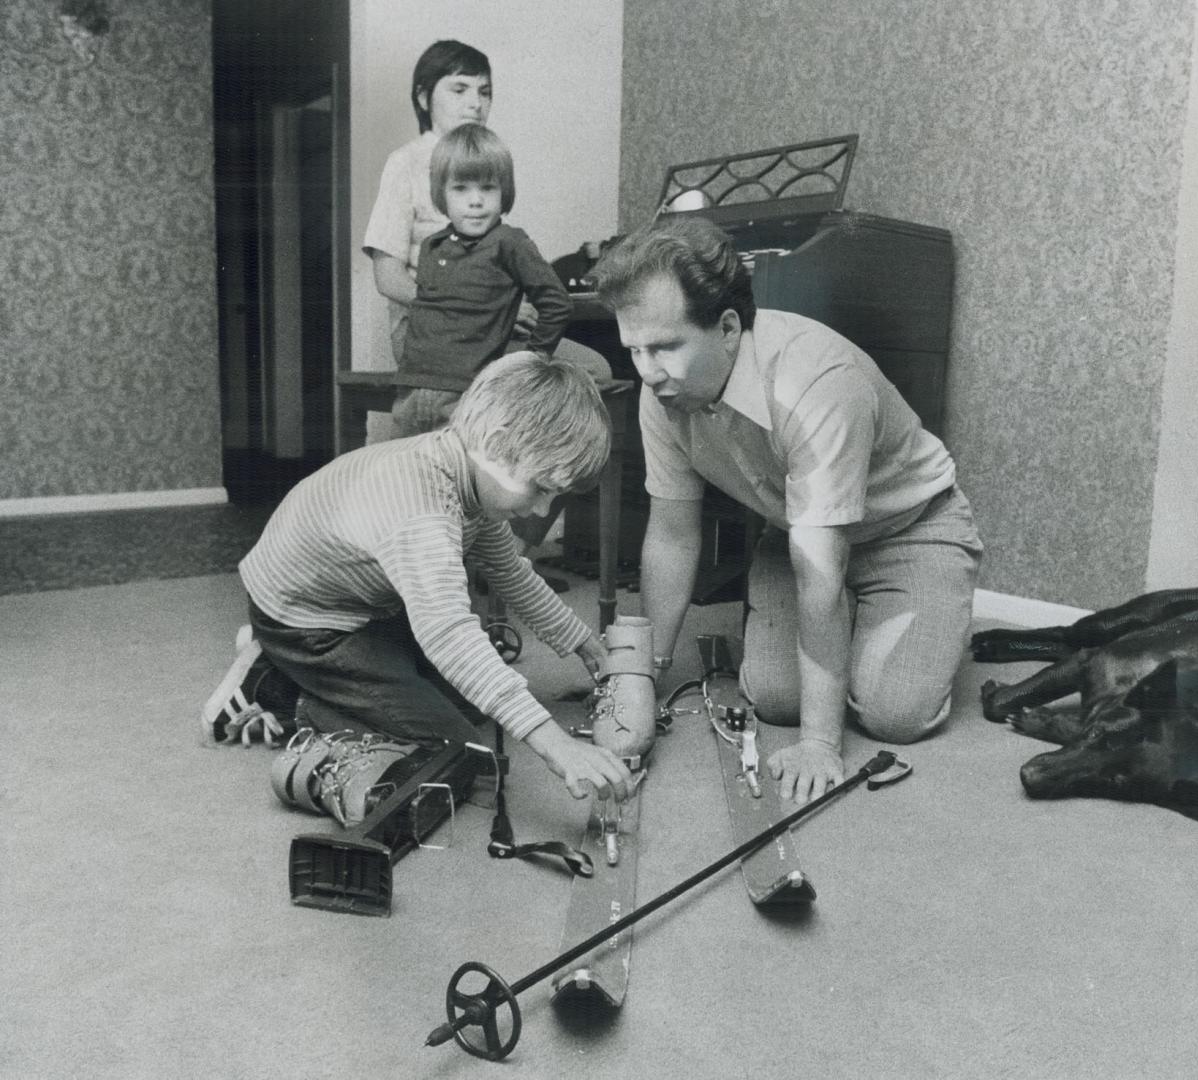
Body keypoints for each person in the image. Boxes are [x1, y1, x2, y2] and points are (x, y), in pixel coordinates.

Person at [591, 217, 983, 804]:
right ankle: (857, 635)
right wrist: (647, 669)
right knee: (775, 699)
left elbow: (821, 574)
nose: (646, 371)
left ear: (727, 328)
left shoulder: (815, 383)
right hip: (793, 533)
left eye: (665, 346)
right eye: (634, 350)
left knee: (895, 715)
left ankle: (915, 614)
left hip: (911, 532)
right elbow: (672, 535)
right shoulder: (661, 392)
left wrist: (821, 744)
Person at [202, 352, 634, 804]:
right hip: (306, 623)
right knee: (460, 755)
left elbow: (511, 573)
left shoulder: (468, 473)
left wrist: (584, 643)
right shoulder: (421, 507)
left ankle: (295, 669)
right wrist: (558, 747)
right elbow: (448, 634)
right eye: (541, 488)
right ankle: (279, 686)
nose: (543, 510)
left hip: (362, 606)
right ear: (497, 443)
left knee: (472, 700)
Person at [361, 40, 609, 397]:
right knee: (581, 372)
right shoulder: (407, 162)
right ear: (423, 98)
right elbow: (388, 278)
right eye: (459, 89)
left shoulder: (484, 164)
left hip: (486, 327)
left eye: (485, 92)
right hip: (428, 335)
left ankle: (512, 447)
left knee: (590, 369)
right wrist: (481, 311)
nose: (476, 103)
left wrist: (506, 309)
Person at [389, 122, 573, 436]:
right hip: (410, 390)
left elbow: (557, 303)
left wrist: (534, 358)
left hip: (468, 396)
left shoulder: (510, 243)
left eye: (487, 188)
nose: (475, 201)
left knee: (466, 480)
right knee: (406, 479)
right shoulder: (432, 246)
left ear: (504, 192)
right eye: (460, 188)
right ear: (442, 194)